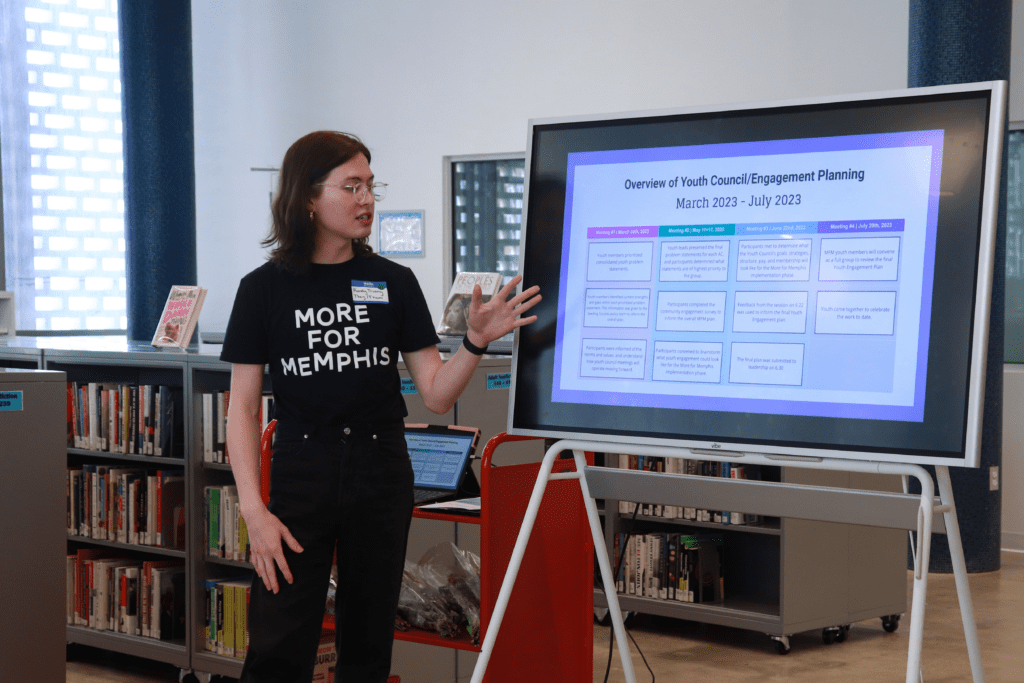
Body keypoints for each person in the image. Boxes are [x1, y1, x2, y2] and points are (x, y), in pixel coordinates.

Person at [220, 130, 540, 683]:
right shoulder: (263, 289)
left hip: (380, 469)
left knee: (369, 645)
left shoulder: (393, 282)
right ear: (308, 199)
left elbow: (437, 395)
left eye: (371, 184)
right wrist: (254, 510)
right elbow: (243, 409)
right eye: (351, 186)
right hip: (301, 472)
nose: (367, 198)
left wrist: (475, 342)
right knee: (278, 645)